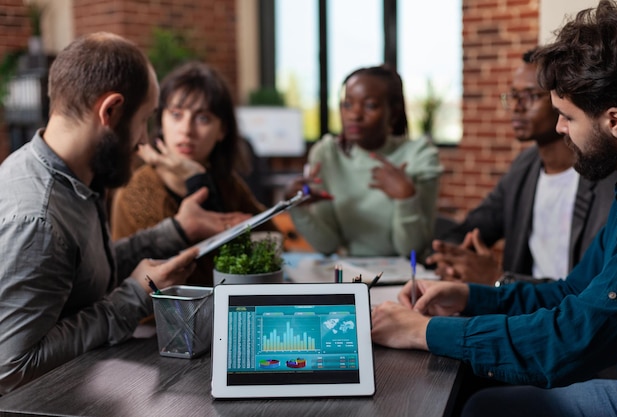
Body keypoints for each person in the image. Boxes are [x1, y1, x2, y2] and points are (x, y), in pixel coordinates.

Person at [371, 2, 617, 415]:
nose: (562, 129)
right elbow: (572, 291)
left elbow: (566, 339)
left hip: (606, 375)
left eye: (567, 116)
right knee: (479, 403)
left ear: (615, 121)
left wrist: (424, 332)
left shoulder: (606, 184)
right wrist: (470, 296)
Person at [0, 33, 249, 395]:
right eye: (146, 120)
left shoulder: (69, 178)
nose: (144, 141)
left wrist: (177, 230)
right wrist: (134, 296)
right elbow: (11, 371)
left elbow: (80, 272)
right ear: (111, 111)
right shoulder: (37, 219)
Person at [426, 49, 617, 286]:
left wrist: (498, 280)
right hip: (526, 309)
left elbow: (586, 291)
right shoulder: (524, 166)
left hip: (563, 313)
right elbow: (473, 228)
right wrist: (453, 257)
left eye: (530, 96)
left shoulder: (608, 176)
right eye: (514, 96)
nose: (517, 107)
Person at [110, 61, 276, 286]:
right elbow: (193, 285)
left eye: (202, 118)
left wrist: (197, 178)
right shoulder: (138, 193)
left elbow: (271, 240)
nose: (186, 130)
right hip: (157, 319)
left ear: (222, 130)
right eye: (176, 115)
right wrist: (197, 181)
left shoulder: (225, 182)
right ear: (161, 121)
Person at [285, 65, 442, 258]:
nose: (354, 115)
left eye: (370, 106)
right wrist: (296, 208)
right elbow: (327, 245)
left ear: (393, 112)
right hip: (350, 275)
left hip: (403, 279)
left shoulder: (420, 155)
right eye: (347, 104)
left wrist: (406, 197)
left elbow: (411, 251)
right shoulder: (327, 154)